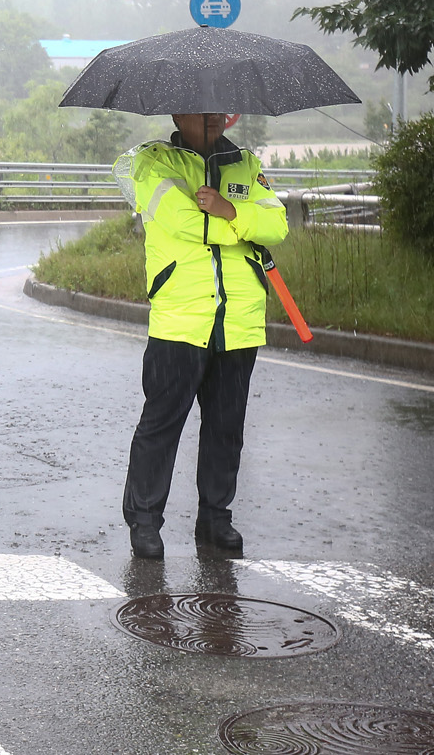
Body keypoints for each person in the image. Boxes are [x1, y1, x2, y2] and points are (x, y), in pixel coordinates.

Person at [120, 111, 287, 559]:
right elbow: (184, 223)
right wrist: (238, 224)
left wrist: (229, 208)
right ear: (178, 112)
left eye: (220, 107)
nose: (214, 115)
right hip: (181, 316)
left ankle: (216, 518)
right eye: (201, 107)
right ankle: (145, 520)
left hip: (238, 319)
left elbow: (278, 224)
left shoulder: (245, 165)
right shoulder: (155, 164)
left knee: (226, 427)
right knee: (162, 423)